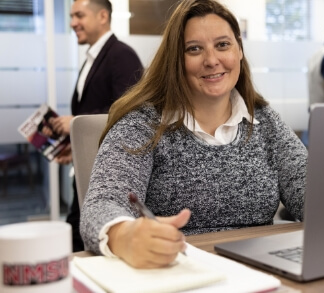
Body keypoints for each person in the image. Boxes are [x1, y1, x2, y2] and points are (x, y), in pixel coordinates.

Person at [80, 0, 307, 269]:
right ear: (176, 59)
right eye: (194, 49)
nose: (212, 61)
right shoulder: (142, 124)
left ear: (239, 50)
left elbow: (309, 190)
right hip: (178, 271)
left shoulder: (264, 119)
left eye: (223, 45)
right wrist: (125, 234)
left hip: (260, 269)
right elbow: (101, 205)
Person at [48, 0, 143, 252]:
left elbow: (133, 112)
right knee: (77, 236)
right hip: (87, 166)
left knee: (82, 239)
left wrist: (77, 123)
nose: (72, 23)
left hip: (108, 174)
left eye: (79, 15)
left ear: (103, 16)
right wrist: (76, 146)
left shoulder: (121, 55)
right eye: (71, 16)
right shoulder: (93, 57)